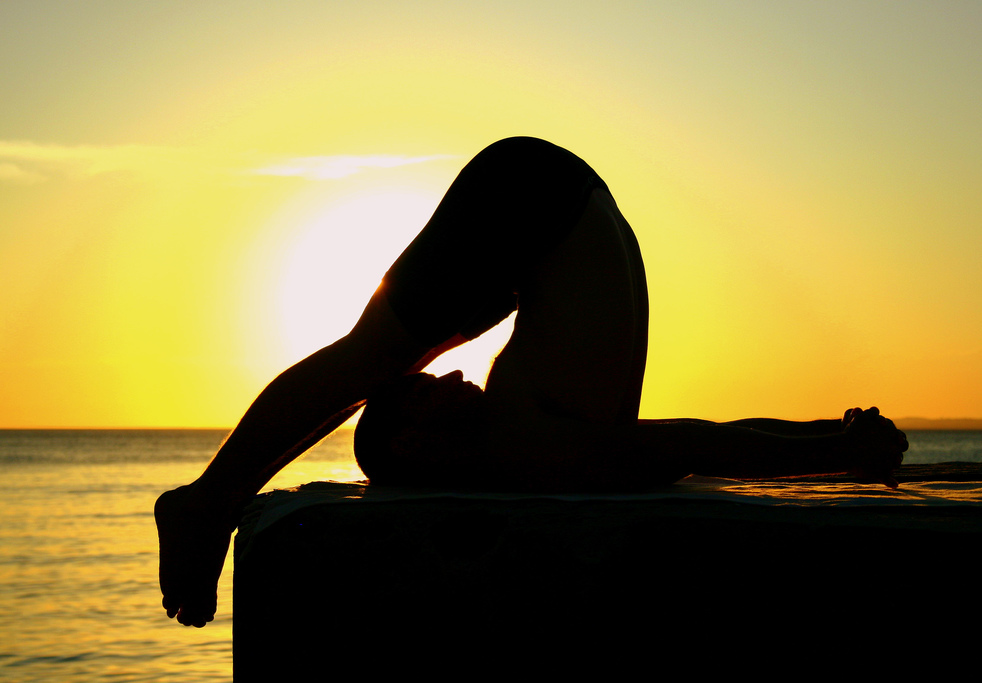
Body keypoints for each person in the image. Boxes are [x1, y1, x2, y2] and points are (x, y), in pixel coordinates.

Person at [156, 137, 907, 627]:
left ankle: (207, 501)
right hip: (558, 200)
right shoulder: (528, 442)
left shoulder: (524, 429)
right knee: (374, 357)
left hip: (535, 198)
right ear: (418, 441)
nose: (447, 370)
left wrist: (839, 446)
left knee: (373, 355)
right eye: (427, 391)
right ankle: (208, 502)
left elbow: (696, 444)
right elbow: (699, 442)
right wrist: (836, 442)